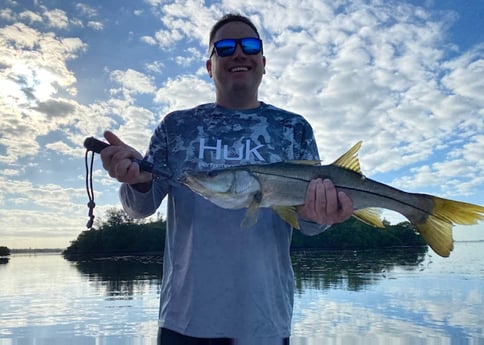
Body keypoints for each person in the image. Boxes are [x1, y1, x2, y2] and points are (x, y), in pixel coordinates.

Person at [100, 13, 353, 345]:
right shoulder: (177, 128)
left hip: (265, 322)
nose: (238, 53)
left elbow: (309, 224)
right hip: (184, 320)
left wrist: (321, 214)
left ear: (263, 62)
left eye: (249, 45)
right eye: (224, 47)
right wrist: (134, 178)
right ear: (209, 66)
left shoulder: (294, 128)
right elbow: (140, 208)